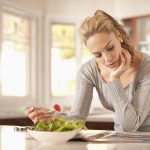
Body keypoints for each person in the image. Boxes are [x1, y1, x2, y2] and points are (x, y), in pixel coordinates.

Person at [25, 10, 150, 132]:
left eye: (110, 48)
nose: (108, 59)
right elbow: (77, 118)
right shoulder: (88, 71)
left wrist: (114, 80)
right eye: (97, 55)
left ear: (119, 36)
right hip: (120, 141)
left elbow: (130, 125)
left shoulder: (146, 67)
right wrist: (53, 117)